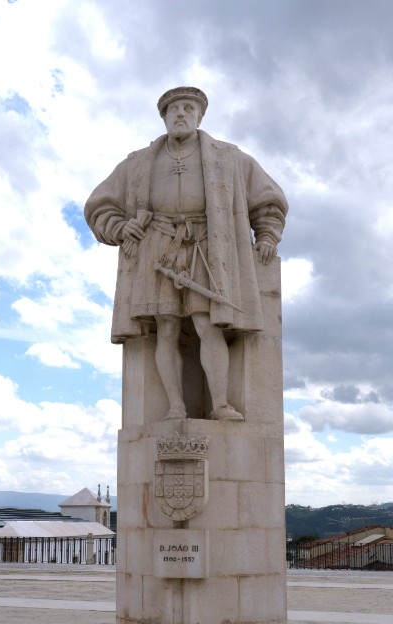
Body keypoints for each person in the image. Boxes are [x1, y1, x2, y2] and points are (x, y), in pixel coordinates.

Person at [85, 87, 288, 421]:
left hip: (207, 246)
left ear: (199, 116)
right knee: (165, 328)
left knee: (207, 324)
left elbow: (268, 199)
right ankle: (176, 405)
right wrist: (119, 227)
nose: (180, 113)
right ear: (164, 117)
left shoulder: (230, 158)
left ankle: (219, 404)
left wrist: (267, 234)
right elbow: (99, 204)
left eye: (188, 108)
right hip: (157, 247)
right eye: (173, 109)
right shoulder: (137, 163)